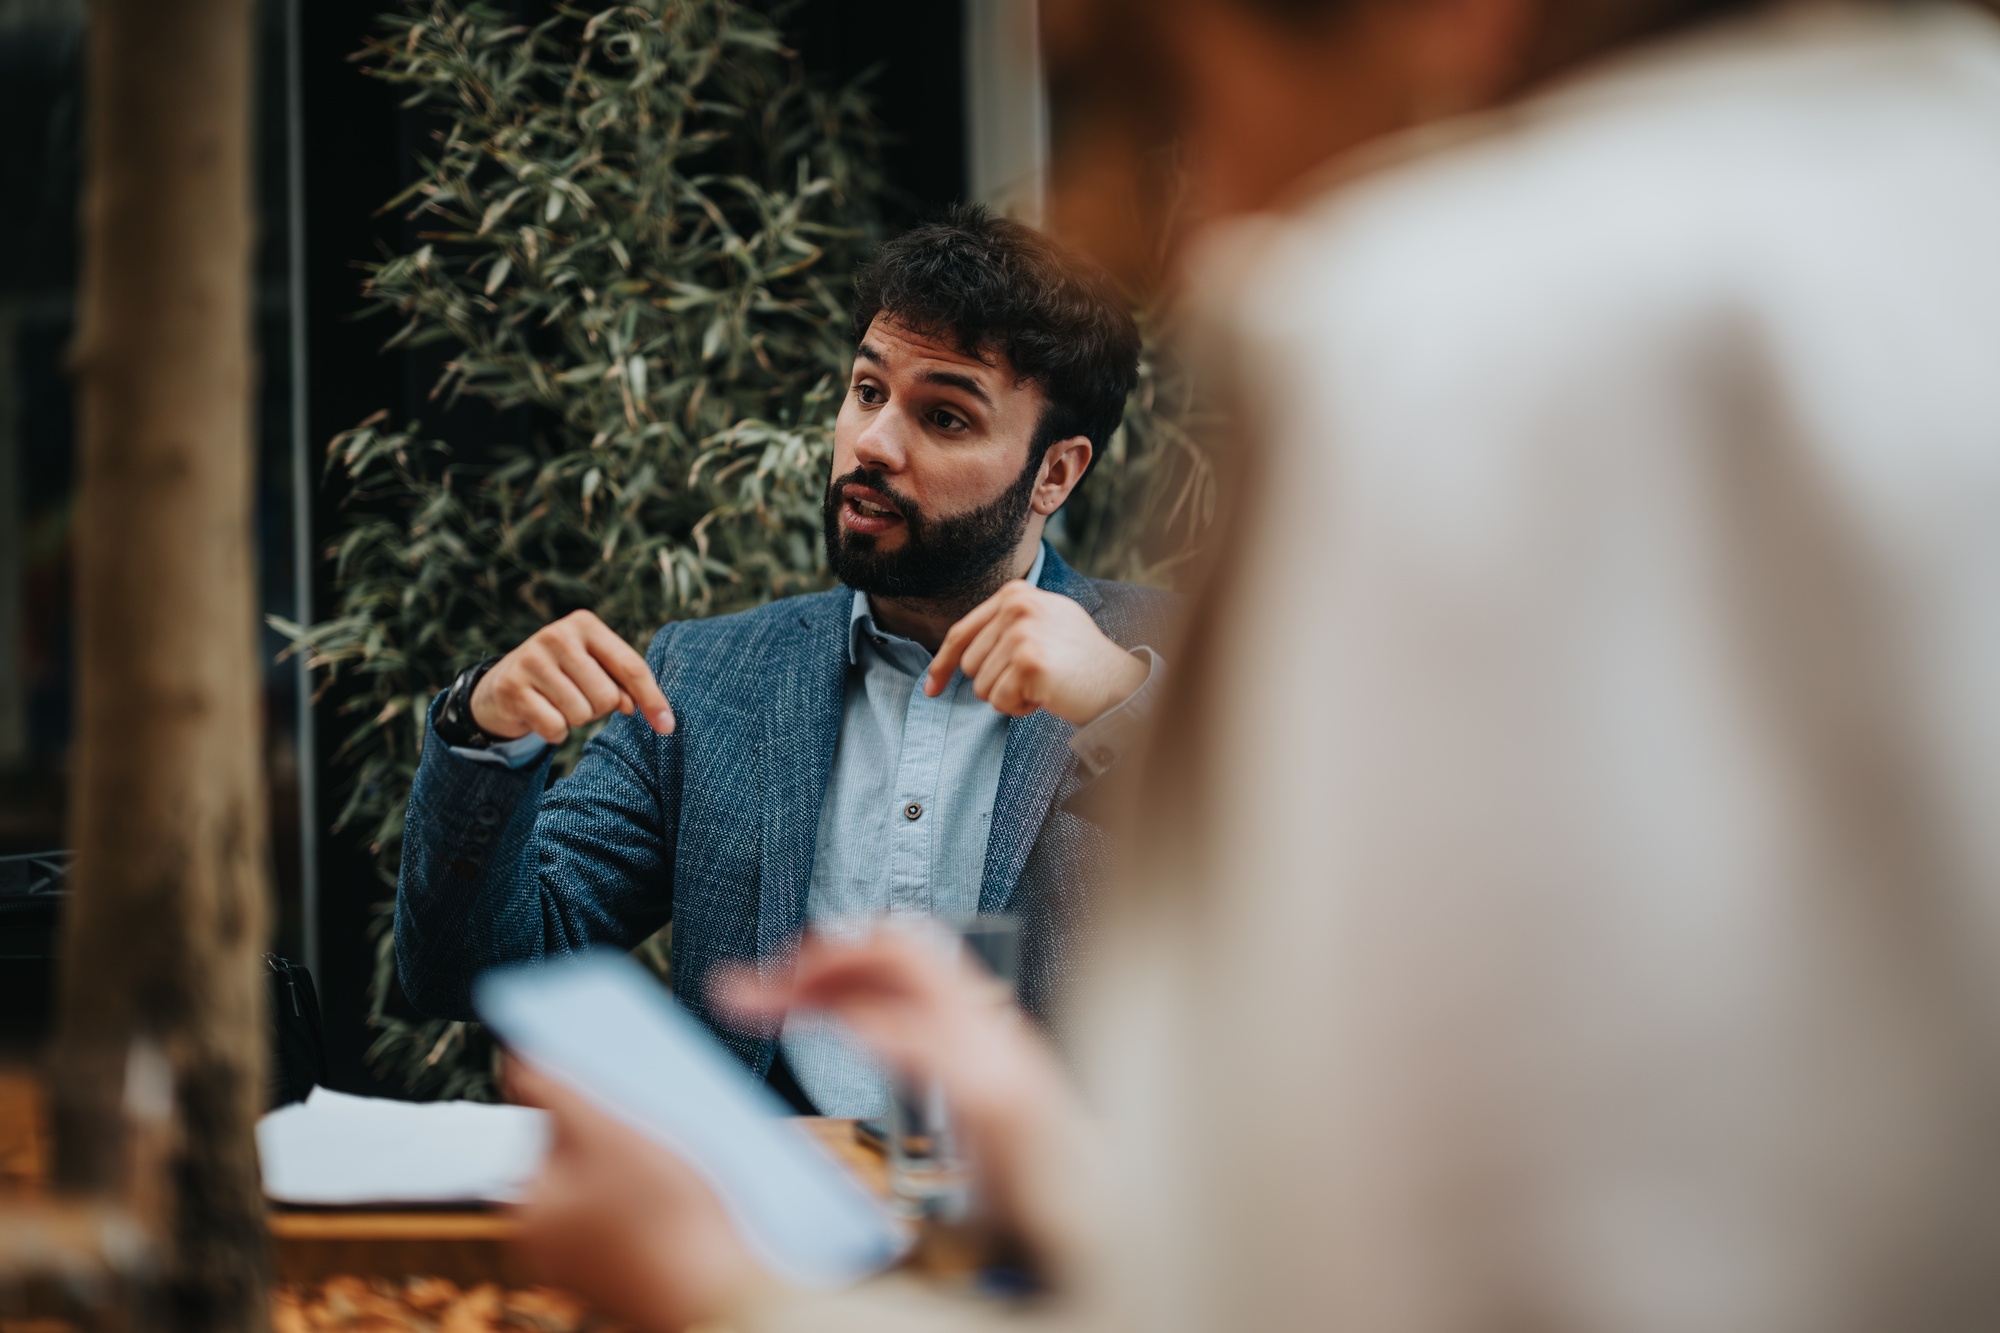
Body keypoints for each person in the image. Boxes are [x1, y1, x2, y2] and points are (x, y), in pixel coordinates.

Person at [508, 0, 2000, 1329]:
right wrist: (1071, 1169)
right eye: (863, 394)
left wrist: (718, 1287)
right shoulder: (1950, 204)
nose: (1213, 236)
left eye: (1169, 109)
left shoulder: (1464, 333)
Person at [395, 205, 1176, 1117]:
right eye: (868, 391)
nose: (874, 443)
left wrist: (1128, 706)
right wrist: (483, 733)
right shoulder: (710, 678)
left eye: (946, 417)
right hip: (771, 1240)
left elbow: (1324, 935)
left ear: (1055, 473)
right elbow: (477, 973)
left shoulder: (1176, 656)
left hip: (1066, 1242)